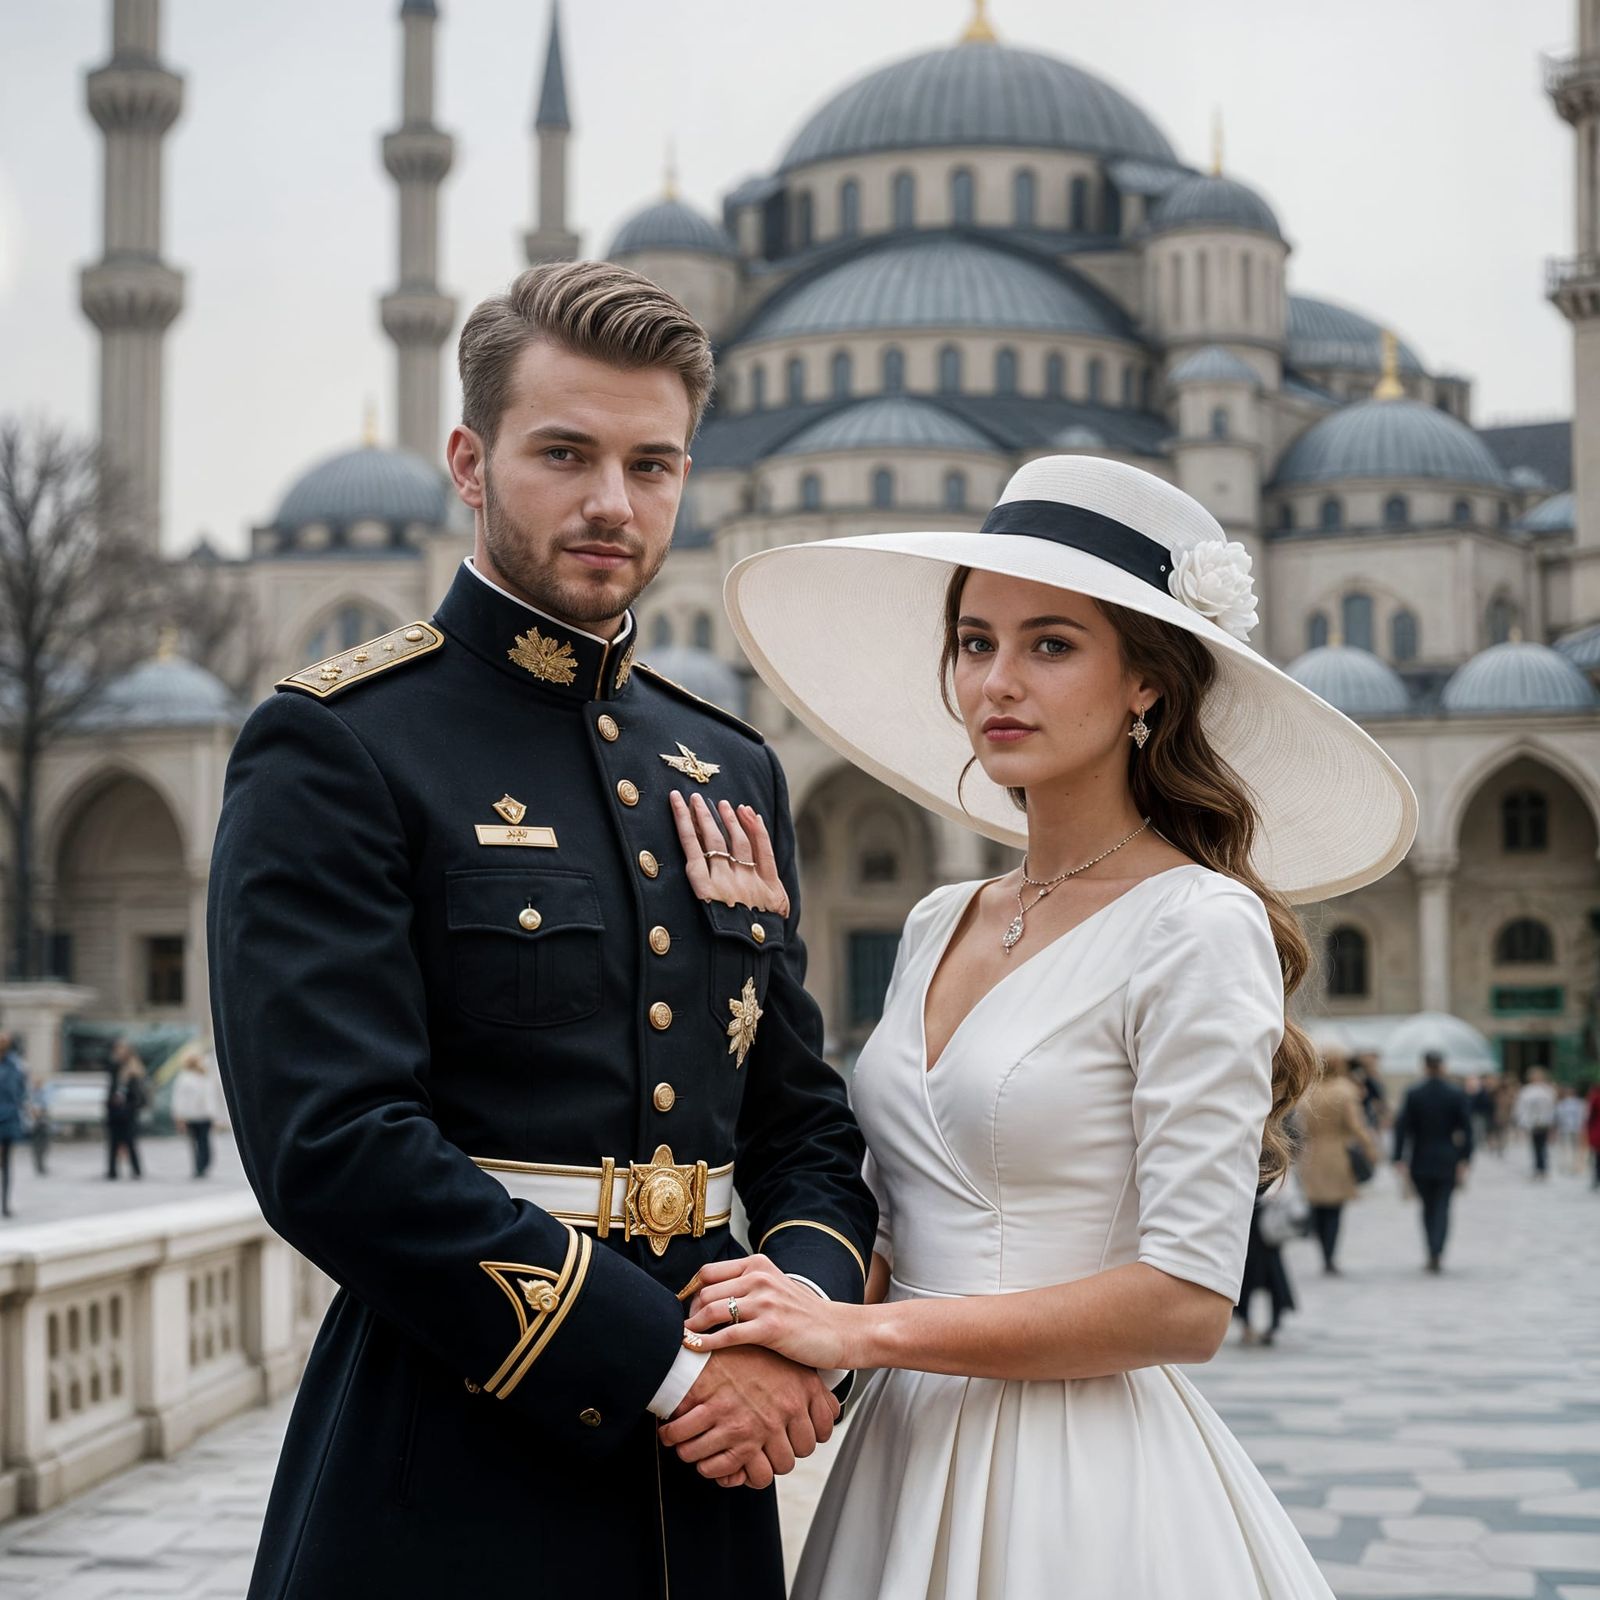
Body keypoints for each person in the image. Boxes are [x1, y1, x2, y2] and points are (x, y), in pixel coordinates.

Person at [208, 261, 876, 1598]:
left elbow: (802, 1124)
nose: (612, 505)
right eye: (564, 454)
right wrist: (674, 1366)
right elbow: (332, 1147)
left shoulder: (724, 765)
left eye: (653, 463)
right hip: (454, 1454)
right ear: (469, 458)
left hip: (708, 1490)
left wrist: (796, 1331)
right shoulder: (344, 744)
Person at [672, 456, 1417, 1597]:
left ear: (1147, 685)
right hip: (898, 1459)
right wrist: (778, 1327)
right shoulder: (936, 918)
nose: (997, 681)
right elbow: (898, 1200)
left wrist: (858, 1340)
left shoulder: (1196, 923)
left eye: (1050, 643)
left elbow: (1182, 1302)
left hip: (1079, 1484)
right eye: (975, 641)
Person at [1297, 1048, 1379, 1273]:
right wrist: (1370, 1148)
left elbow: (1299, 1126)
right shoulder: (1345, 1091)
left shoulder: (1308, 1092)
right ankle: (1329, 1255)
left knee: (1318, 1205)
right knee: (1334, 1209)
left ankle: (1323, 1250)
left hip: (1312, 1154)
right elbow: (1356, 1125)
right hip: (1337, 1154)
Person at [1392, 1049, 1473, 1271]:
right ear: (1443, 1065)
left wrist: (1398, 1157)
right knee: (1443, 1206)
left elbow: (1402, 1128)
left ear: (1424, 1066)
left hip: (1421, 1157)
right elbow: (1467, 1128)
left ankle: (1431, 1248)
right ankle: (1438, 1249)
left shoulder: (1414, 1093)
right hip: (1447, 1156)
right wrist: (1465, 1157)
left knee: (1427, 1207)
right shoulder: (1455, 1093)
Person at [172, 1047, 222, 1178]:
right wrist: (179, 1116)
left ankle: (204, 1164)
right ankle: (198, 1167)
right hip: (190, 1116)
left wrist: (215, 1116)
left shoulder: (206, 1076)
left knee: (205, 1142)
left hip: (205, 1115)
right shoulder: (184, 1077)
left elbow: (213, 1097)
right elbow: (179, 1098)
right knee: (194, 1143)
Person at [105, 1039, 146, 1180]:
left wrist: (129, 1108)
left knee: (130, 1142)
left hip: (128, 1113)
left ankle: (136, 1171)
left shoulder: (134, 1071)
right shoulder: (114, 1068)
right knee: (113, 1143)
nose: (118, 1053)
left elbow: (138, 1096)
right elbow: (110, 1089)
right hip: (114, 1112)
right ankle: (112, 1171)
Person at [0, 1033, 28, 1218]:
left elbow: (21, 1093)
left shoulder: (15, 1065)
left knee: (6, 1163)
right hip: (8, 1116)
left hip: (8, 1119)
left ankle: (5, 1203)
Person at [1515, 1067, 1558, 1179]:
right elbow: (1521, 1108)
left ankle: (1543, 1167)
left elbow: (1552, 1107)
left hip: (1544, 1122)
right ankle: (1538, 1167)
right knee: (1535, 1146)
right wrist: (1522, 1122)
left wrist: (1552, 1121)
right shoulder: (1527, 1091)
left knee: (1542, 1145)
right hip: (1533, 1123)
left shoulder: (1547, 1090)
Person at [1556, 1083, 1587, 1175]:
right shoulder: (1567, 1103)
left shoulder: (1566, 1103)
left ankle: (1572, 1165)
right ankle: (1572, 1165)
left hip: (1570, 1128)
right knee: (1572, 1147)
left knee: (1570, 1147)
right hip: (1571, 1128)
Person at [1587, 1080, 1600, 1190]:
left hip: (1597, 1130)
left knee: (1597, 1157)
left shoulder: (1595, 1096)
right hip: (1597, 1130)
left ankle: (1596, 1178)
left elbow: (1590, 1116)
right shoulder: (1596, 1096)